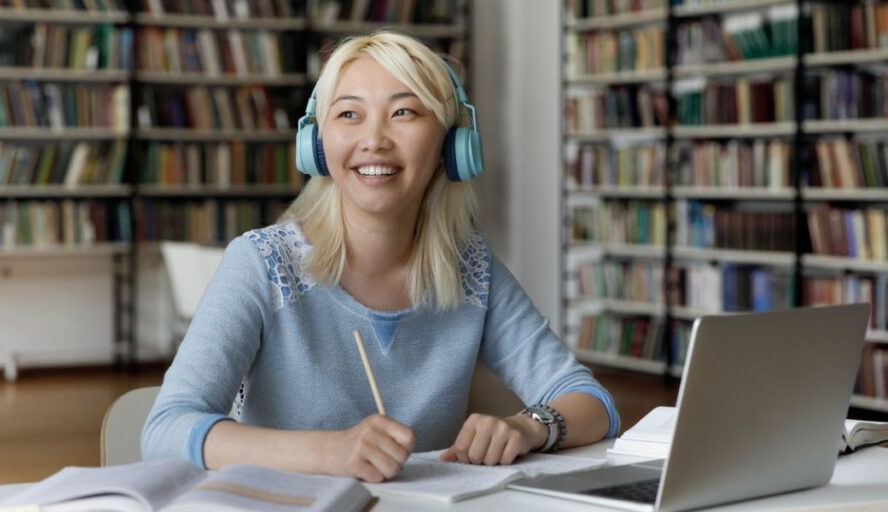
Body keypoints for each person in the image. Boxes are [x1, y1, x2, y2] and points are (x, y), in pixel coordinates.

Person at [142, 31, 619, 483]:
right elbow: (165, 431)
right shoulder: (261, 263)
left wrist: (530, 426)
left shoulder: (472, 267)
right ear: (317, 143)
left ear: (451, 146)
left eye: (405, 112)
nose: (374, 139)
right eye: (349, 114)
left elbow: (594, 403)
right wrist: (329, 453)